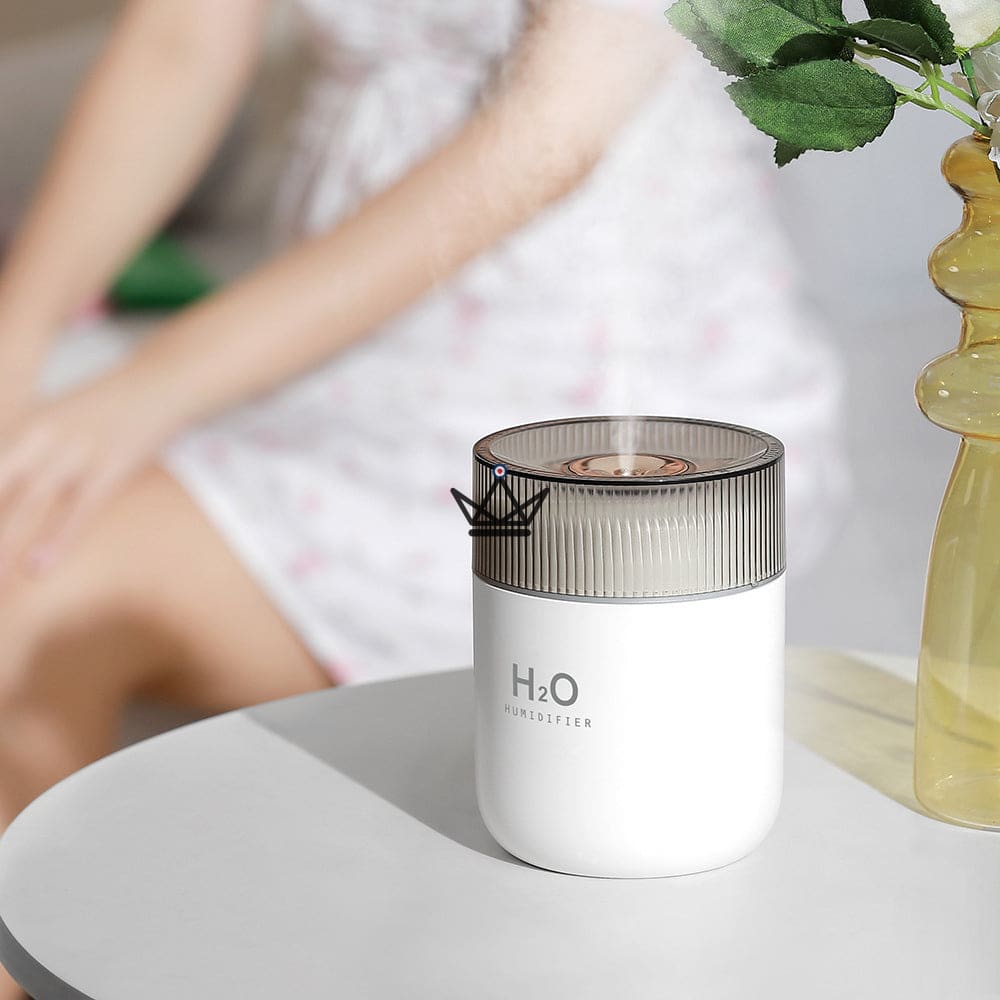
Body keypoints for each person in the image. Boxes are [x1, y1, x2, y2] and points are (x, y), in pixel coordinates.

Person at [0, 1, 846, 989]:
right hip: (327, 353)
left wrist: (147, 388)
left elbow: (550, 129)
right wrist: (16, 346)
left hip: (595, 409)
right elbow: (183, 37)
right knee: (23, 551)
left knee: (38, 569)